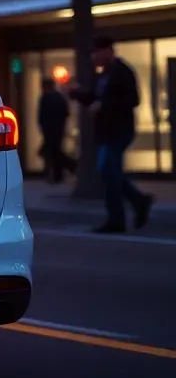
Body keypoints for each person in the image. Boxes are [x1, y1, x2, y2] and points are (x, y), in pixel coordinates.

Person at [70, 35, 154, 233]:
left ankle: (118, 218)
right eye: (93, 53)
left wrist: (103, 105)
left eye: (97, 52)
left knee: (108, 171)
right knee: (110, 173)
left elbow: (132, 100)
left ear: (109, 50)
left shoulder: (122, 72)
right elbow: (93, 99)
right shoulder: (103, 74)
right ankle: (139, 201)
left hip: (119, 130)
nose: (94, 56)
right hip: (106, 132)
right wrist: (75, 92)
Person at [36, 77, 75, 183]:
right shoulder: (59, 97)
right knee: (54, 151)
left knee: (52, 152)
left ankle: (70, 166)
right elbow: (66, 112)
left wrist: (42, 125)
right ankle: (63, 171)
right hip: (58, 128)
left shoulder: (45, 98)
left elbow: (42, 114)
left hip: (49, 129)